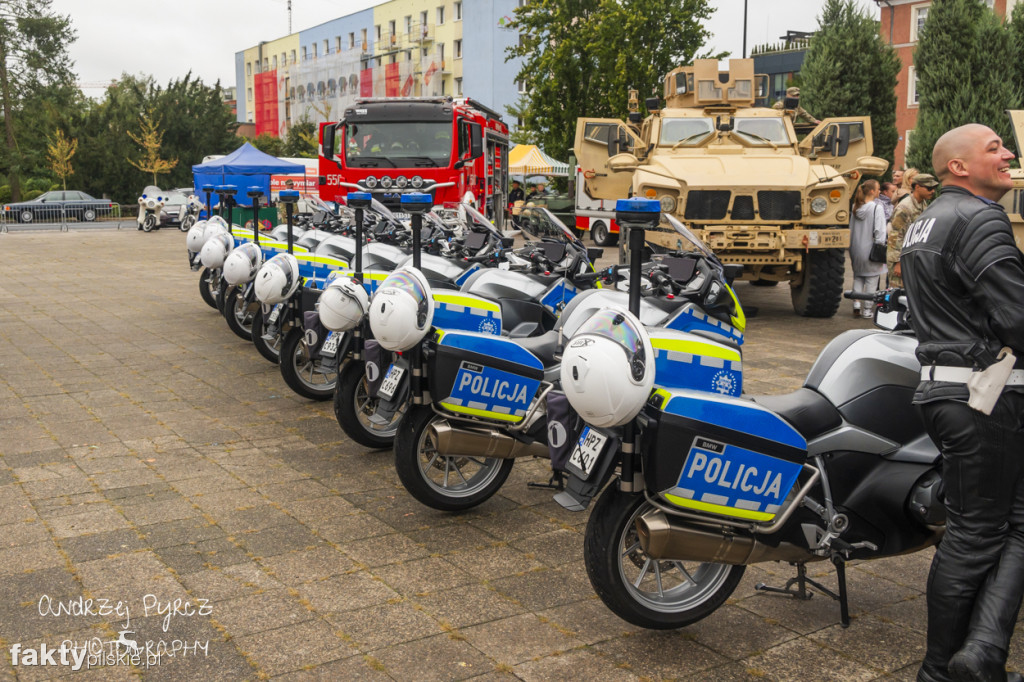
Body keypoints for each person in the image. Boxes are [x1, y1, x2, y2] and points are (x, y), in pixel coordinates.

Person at [899, 124, 1024, 682]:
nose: (1009, 153)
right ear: (958, 167)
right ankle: (943, 670)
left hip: (945, 388)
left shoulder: (925, 222)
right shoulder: (980, 218)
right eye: (994, 147)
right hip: (984, 395)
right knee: (977, 536)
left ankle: (982, 655)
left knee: (999, 526)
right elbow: (1017, 317)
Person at [886, 173, 938, 287]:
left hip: (912, 256)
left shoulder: (923, 203)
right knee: (898, 294)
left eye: (934, 188)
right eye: (929, 188)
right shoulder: (904, 208)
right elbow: (895, 236)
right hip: (900, 258)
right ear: (917, 187)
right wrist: (897, 263)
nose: (933, 191)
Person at [847, 178, 887, 318]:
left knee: (858, 276)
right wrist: (881, 246)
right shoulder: (877, 208)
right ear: (872, 191)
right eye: (877, 189)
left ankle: (856, 304)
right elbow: (880, 231)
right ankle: (868, 310)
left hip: (856, 248)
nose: (879, 191)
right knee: (872, 279)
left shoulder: (855, 207)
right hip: (871, 249)